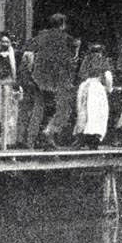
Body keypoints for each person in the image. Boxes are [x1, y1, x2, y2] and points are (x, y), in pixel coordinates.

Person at [26, 14, 80, 148]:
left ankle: (31, 141)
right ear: (63, 24)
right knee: (61, 108)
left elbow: (28, 53)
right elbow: (73, 58)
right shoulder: (67, 38)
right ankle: (48, 133)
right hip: (57, 79)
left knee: (39, 108)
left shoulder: (41, 36)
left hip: (39, 78)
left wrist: (31, 70)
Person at [74, 43, 112, 149]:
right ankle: (94, 138)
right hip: (96, 86)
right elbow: (108, 76)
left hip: (84, 86)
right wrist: (109, 88)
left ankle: (81, 136)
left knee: (83, 112)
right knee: (97, 113)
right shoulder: (102, 60)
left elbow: (81, 75)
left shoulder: (86, 60)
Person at [0, 31, 21, 147]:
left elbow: (14, 70)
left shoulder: (13, 54)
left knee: (10, 110)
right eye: (3, 41)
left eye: (7, 42)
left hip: (9, 83)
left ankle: (9, 140)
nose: (5, 43)